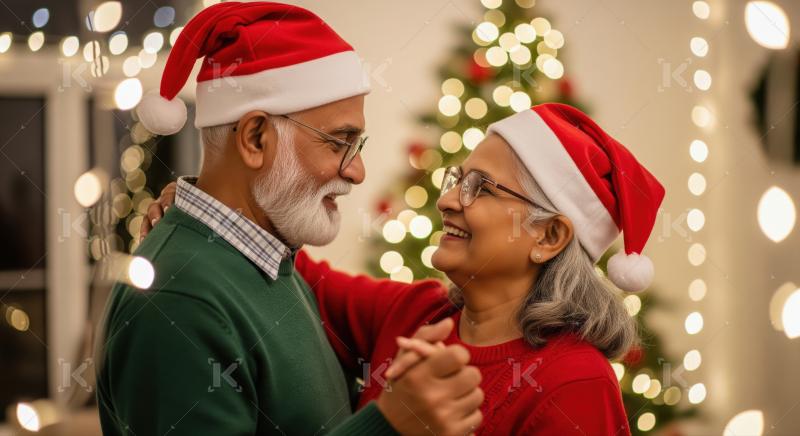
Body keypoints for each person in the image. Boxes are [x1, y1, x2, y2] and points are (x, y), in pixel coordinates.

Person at [143, 103, 666, 434]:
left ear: (548, 237)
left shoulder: (574, 385)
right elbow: (290, 271)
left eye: (480, 188)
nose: (447, 201)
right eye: (459, 178)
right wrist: (207, 207)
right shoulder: (419, 314)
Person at [96, 3, 483, 435]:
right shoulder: (180, 301)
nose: (357, 171)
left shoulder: (269, 263)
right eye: (340, 142)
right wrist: (389, 425)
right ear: (256, 138)